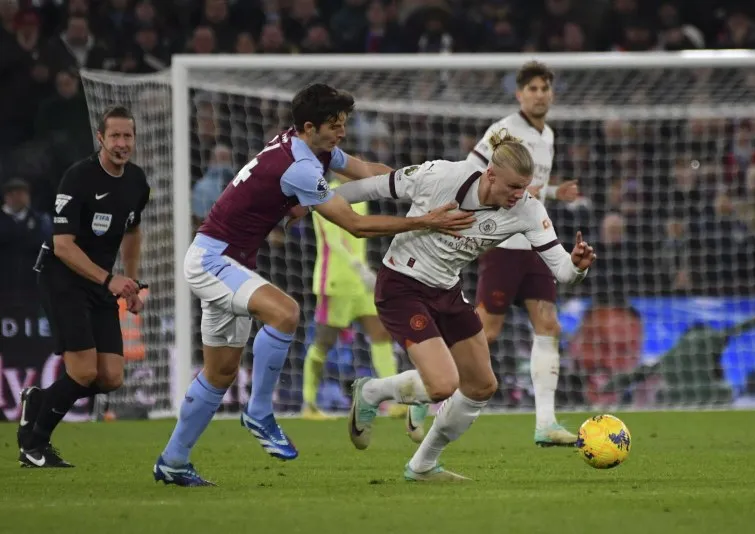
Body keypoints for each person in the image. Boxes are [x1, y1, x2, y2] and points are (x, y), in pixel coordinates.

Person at [153, 83, 474, 487]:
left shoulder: (308, 148)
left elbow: (367, 172)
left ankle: (174, 460)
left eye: (343, 124)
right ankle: (259, 413)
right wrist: (426, 221)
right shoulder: (300, 167)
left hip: (230, 262)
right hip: (212, 259)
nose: (342, 132)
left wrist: (423, 182)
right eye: (335, 125)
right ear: (309, 126)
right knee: (286, 312)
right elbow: (355, 225)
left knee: (219, 373)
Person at [335, 129, 595, 481]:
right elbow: (373, 186)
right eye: (513, 187)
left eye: (525, 187)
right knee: (442, 385)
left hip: (447, 291)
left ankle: (422, 465)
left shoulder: (528, 211)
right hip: (401, 285)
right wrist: (316, 200)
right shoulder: (442, 175)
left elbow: (563, 272)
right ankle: (371, 392)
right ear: (490, 174)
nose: (521, 195)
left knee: (481, 386)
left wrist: (578, 265)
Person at [17, 106, 150, 468]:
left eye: (127, 136)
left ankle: (38, 402)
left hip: (101, 282)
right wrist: (110, 280)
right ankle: (34, 445)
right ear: (100, 139)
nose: (122, 143)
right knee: (84, 372)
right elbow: (63, 245)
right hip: (63, 279)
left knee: (111, 378)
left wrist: (132, 284)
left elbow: (133, 231)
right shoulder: (78, 178)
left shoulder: (137, 181)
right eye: (115, 136)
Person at [467, 61, 580, 446]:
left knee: (548, 325)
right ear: (519, 95)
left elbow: (529, 188)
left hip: (536, 243)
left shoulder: (547, 134)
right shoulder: (503, 130)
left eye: (545, 87)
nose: (539, 94)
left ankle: (545, 424)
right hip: (503, 244)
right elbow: (473, 172)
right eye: (532, 88)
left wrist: (551, 193)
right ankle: (425, 388)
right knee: (486, 332)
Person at [303, 173, 408, 422]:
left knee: (381, 334)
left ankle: (393, 401)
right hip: (336, 280)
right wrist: (357, 267)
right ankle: (308, 404)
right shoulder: (327, 194)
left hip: (360, 283)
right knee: (324, 342)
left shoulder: (361, 196)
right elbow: (333, 239)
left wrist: (365, 271)